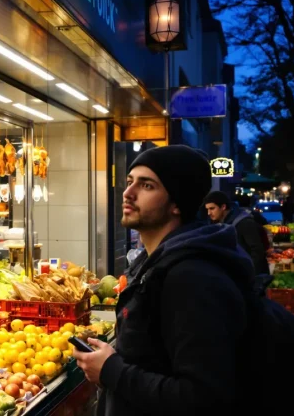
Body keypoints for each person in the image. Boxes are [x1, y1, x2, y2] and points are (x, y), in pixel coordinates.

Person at [73, 146, 257, 415]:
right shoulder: (156, 262)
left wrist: (112, 371)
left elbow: (204, 397)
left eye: (147, 185)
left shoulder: (192, 278)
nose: (128, 193)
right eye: (129, 182)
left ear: (177, 204)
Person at [203, 191, 270, 275]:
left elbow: (257, 251)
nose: (209, 213)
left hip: (249, 277)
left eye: (212, 208)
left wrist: (248, 274)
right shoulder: (219, 224)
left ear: (223, 207)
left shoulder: (244, 222)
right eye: (207, 209)